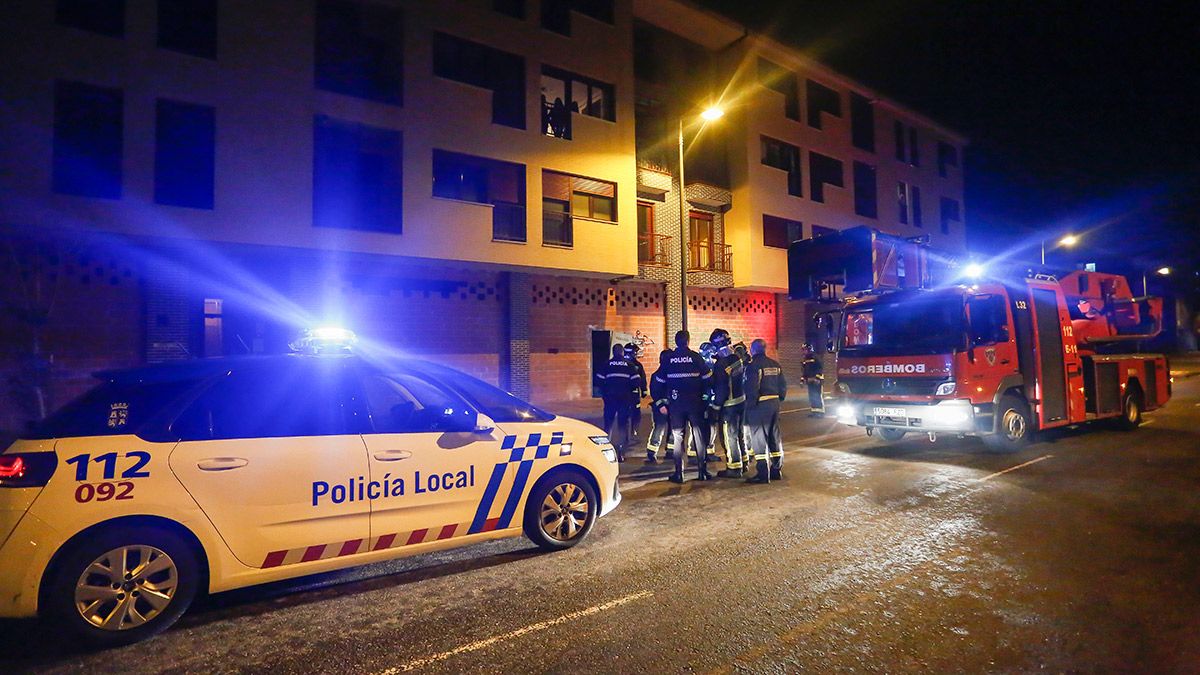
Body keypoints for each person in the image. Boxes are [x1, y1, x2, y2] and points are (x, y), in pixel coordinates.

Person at [652, 331, 714, 483]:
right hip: (695, 404)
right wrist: (706, 398)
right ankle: (702, 472)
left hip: (676, 405)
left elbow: (656, 383)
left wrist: (660, 403)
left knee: (678, 438)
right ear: (688, 341)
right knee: (699, 436)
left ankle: (679, 474)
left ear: (676, 341)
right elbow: (708, 379)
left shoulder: (669, 359)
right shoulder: (695, 357)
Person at [743, 338, 787, 484]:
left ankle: (763, 473)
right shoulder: (775, 364)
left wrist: (750, 407)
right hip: (774, 403)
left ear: (753, 350)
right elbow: (783, 386)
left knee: (759, 438)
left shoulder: (753, 366)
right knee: (774, 436)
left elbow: (752, 388)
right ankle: (776, 470)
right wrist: (778, 399)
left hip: (760, 405)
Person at [709, 329, 748, 478]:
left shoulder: (721, 364)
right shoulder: (737, 358)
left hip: (729, 406)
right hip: (741, 402)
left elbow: (721, 388)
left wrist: (715, 407)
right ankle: (744, 463)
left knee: (729, 436)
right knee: (739, 434)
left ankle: (734, 468)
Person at [594, 344, 638, 461]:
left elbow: (598, 381)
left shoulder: (606, 365)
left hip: (610, 399)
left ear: (613, 352)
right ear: (622, 352)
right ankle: (620, 452)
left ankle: (605, 452)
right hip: (624, 399)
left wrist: (606, 391)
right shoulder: (630, 365)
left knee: (608, 424)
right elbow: (636, 382)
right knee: (622, 425)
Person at [645, 349, 673, 463]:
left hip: (672, 406)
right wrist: (661, 405)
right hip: (661, 407)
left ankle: (670, 451)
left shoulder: (669, 373)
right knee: (659, 429)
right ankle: (652, 452)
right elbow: (655, 392)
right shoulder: (658, 375)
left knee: (673, 429)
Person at [624, 343, 648, 439]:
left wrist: (644, 390)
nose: (637, 354)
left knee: (635, 413)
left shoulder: (638, 365)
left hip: (631, 393)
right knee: (631, 413)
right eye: (636, 352)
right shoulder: (635, 365)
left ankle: (633, 431)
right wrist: (643, 391)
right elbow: (641, 379)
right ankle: (629, 433)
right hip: (630, 393)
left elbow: (642, 379)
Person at [802, 344, 825, 416]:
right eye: (803, 350)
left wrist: (817, 378)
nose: (804, 351)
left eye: (805, 349)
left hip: (816, 380)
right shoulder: (805, 359)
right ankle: (814, 411)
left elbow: (819, 368)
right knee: (812, 396)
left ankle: (820, 412)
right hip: (809, 380)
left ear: (809, 349)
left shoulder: (815, 357)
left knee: (817, 395)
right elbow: (805, 371)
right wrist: (802, 380)